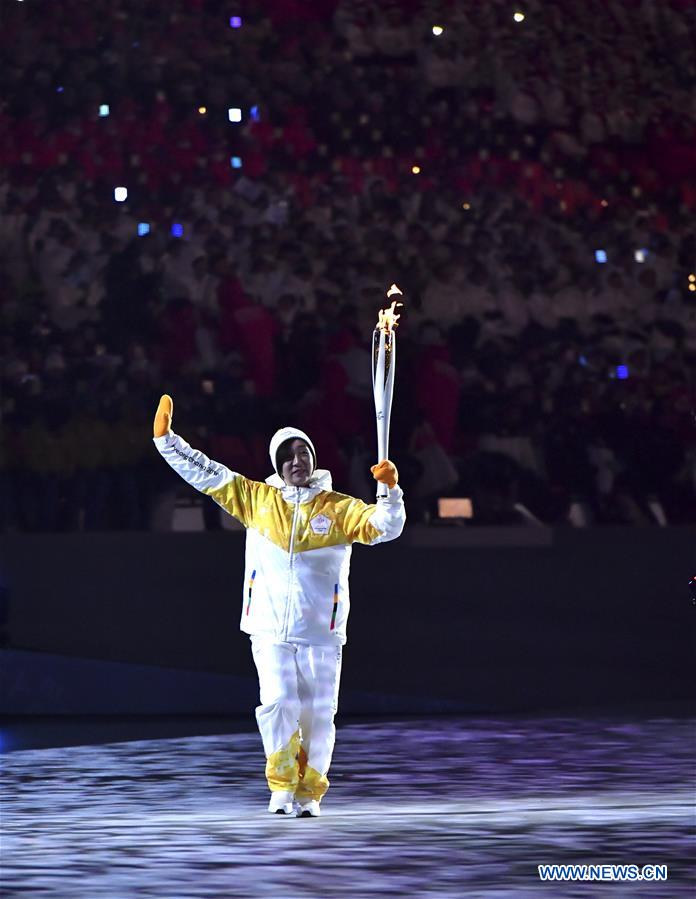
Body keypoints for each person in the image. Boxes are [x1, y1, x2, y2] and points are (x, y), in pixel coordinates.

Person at [153, 394, 405, 817]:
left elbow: (386, 527)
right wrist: (167, 441)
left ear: (313, 457)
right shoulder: (256, 500)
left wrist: (390, 491)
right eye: (286, 455)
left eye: (302, 452)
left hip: (321, 632)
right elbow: (205, 472)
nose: (296, 461)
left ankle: (310, 794)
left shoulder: (338, 508)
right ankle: (282, 786)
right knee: (277, 702)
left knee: (318, 715)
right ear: (277, 464)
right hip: (268, 627)